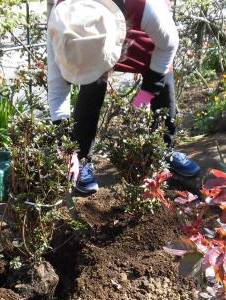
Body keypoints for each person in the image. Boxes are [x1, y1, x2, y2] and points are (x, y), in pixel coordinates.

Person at [47, 0, 200, 194]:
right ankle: (82, 158)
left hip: (145, 34)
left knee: (164, 92)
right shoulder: (62, 24)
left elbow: (169, 45)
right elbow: (57, 91)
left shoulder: (145, 7)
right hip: (93, 41)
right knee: (91, 88)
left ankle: (165, 152)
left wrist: (147, 91)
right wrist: (67, 148)